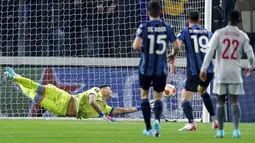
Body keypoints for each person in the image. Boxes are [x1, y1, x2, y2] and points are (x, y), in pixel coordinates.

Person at [3, 67, 141, 121]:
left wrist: (143, 107)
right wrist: (102, 116)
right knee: (38, 88)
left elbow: (124, 110)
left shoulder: (105, 108)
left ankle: (16, 77)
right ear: (103, 89)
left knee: (35, 96)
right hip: (65, 97)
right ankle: (15, 77)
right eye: (109, 89)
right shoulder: (96, 91)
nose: (111, 91)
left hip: (61, 110)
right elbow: (92, 101)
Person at [200, 10, 254, 138]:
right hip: (235, 72)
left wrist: (203, 68)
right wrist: (251, 66)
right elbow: (250, 54)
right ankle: (236, 130)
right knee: (235, 101)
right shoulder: (242, 35)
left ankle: (221, 131)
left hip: (221, 72)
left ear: (227, 20)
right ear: (239, 20)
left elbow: (210, 51)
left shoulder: (219, 33)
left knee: (220, 101)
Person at [133, 0, 180, 137]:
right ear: (161, 13)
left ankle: (148, 128)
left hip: (145, 68)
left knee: (144, 96)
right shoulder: (167, 26)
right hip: (161, 69)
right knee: (158, 98)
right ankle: (157, 121)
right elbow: (177, 45)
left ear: (147, 13)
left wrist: (144, 48)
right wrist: (172, 55)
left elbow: (136, 46)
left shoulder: (144, 26)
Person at [169, 10, 218, 131]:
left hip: (195, 71)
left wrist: (172, 62)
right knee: (202, 90)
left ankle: (191, 123)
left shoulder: (185, 31)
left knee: (184, 98)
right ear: (200, 20)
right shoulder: (208, 32)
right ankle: (214, 119)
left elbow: (177, 45)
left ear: (188, 20)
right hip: (209, 70)